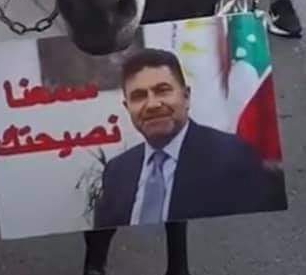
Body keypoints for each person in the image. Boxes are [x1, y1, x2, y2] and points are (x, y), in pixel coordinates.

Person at [93, 50, 283, 229]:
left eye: (162, 90)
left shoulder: (233, 156)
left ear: (186, 97)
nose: (152, 104)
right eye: (139, 96)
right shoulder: (117, 171)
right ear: (127, 107)